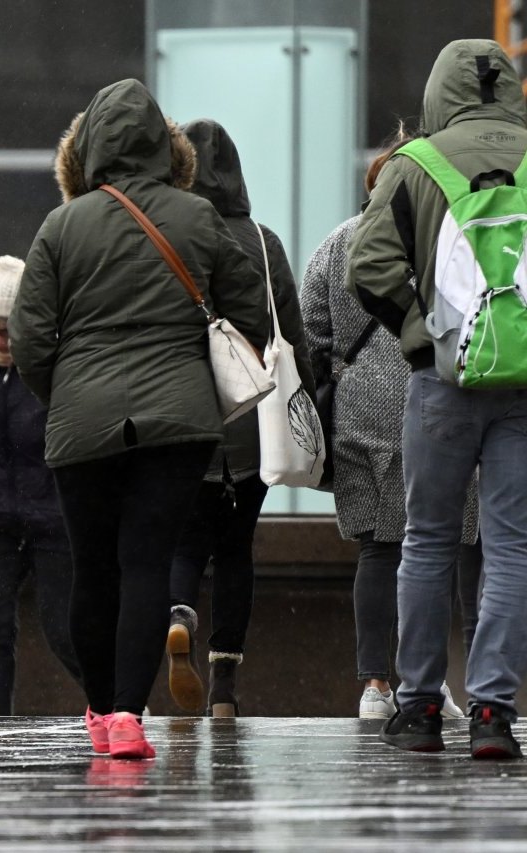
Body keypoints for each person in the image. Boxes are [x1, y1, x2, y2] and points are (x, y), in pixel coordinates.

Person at [9, 79, 269, 759]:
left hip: (82, 424)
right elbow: (254, 315)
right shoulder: (197, 218)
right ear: (166, 147)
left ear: (86, 150)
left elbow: (30, 340)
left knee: (92, 568)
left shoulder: (60, 227)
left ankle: (97, 710)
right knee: (147, 562)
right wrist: (192, 377)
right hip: (176, 424)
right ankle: (128, 714)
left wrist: (66, 392)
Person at [348, 39, 527, 758]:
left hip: (440, 381)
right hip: (522, 383)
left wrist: (427, 334)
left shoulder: (414, 164)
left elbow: (369, 265)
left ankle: (419, 702)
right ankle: (493, 712)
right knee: (512, 543)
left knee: (426, 540)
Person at [302, 128, 480, 721]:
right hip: (442, 398)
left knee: (380, 550)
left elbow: (313, 335)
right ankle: (432, 684)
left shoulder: (338, 243)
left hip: (362, 414)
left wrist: (342, 373)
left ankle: (375, 686)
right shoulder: (448, 237)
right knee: (446, 546)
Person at [165, 118, 316, 718]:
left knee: (185, 539)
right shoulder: (261, 238)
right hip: (253, 417)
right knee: (237, 550)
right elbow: (292, 331)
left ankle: (179, 613)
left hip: (188, 412)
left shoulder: (172, 235)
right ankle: (224, 686)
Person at [0, 255, 82, 716]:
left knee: (65, 631)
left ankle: (118, 708)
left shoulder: (53, 367)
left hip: (54, 520)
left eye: (9, 330)